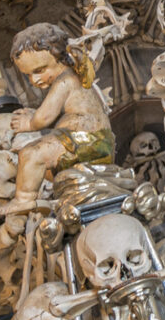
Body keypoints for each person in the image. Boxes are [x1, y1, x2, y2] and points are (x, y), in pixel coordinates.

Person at [6, 22, 113, 211]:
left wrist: (29, 123)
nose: (34, 80)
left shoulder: (65, 81)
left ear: (61, 58)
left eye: (39, 70)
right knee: (44, 170)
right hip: (95, 143)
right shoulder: (74, 78)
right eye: (28, 75)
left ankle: (23, 201)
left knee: (30, 154)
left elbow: (44, 118)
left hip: (85, 141)